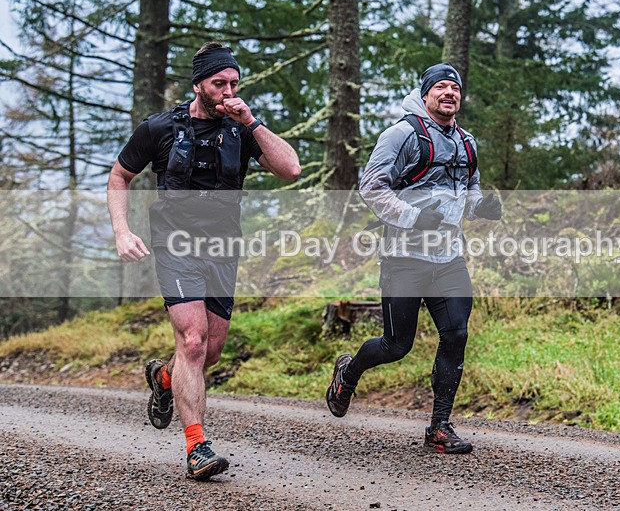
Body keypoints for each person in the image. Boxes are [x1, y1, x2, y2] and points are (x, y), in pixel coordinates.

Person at [107, 42, 301, 480]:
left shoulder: (242, 128)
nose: (228, 90)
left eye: (234, 82)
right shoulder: (159, 128)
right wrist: (122, 230)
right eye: (219, 83)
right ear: (199, 85)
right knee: (192, 341)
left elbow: (291, 170)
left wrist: (250, 121)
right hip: (175, 249)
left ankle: (165, 380)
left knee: (209, 352)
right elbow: (120, 175)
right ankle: (197, 446)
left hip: (222, 251)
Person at [326, 63, 502, 454]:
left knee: (456, 335)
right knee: (396, 345)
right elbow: (371, 187)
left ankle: (439, 426)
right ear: (425, 95)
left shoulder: (466, 142)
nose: (449, 93)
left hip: (449, 259)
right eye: (440, 87)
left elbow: (465, 191)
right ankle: (347, 373)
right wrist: (414, 218)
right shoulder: (401, 134)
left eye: (454, 88)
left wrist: (480, 207)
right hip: (404, 257)